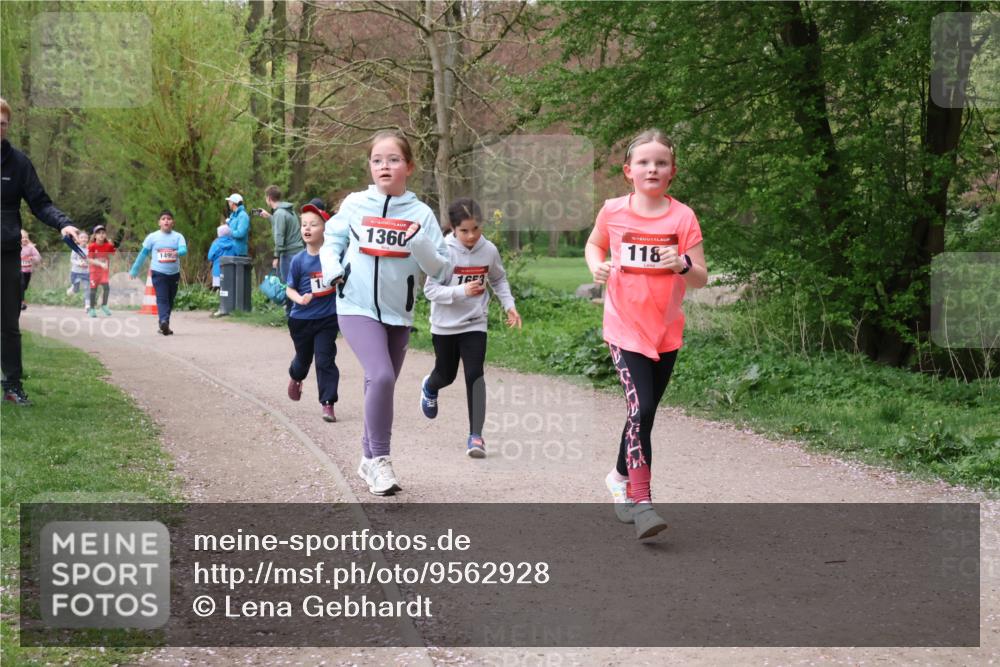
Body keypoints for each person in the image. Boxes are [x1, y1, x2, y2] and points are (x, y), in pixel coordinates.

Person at [585, 128, 708, 540]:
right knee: (641, 410)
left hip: (666, 331)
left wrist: (683, 266)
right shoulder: (613, 211)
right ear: (628, 171)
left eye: (660, 163)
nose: (651, 168)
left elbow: (701, 279)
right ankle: (642, 503)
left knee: (646, 411)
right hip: (623, 328)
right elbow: (594, 245)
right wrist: (595, 267)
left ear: (672, 172)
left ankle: (619, 475)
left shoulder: (683, 217)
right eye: (643, 162)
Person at [319, 130, 451, 496]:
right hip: (355, 305)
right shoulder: (356, 204)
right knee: (381, 376)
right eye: (377, 160)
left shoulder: (421, 213)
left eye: (393, 160)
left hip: (398, 312)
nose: (384, 167)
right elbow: (332, 241)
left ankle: (366, 459)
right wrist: (332, 270)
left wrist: (419, 241)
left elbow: (442, 269)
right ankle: (380, 460)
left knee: (379, 383)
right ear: (370, 167)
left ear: (408, 166)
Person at [419, 198, 521, 458]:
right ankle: (430, 386)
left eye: (476, 228)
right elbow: (430, 290)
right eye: (464, 230)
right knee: (447, 375)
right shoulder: (442, 251)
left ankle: (476, 436)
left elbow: (498, 279)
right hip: (444, 325)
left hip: (475, 323)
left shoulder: (489, 250)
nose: (471, 235)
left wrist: (509, 305)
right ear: (453, 228)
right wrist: (461, 290)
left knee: (474, 375)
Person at [1, 96, 80, 405]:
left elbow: (40, 203)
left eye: (3, 124)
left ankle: (12, 385)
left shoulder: (18, 164)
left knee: (8, 323)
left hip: (6, 252)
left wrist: (63, 223)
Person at [285, 201, 341, 423]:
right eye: (304, 225)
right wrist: (300, 298)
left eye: (313, 224)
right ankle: (296, 376)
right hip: (301, 320)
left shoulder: (333, 257)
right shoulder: (299, 260)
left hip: (327, 319)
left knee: (325, 360)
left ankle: (328, 403)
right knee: (303, 360)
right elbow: (289, 288)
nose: (307, 229)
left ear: (325, 228)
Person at [129, 210, 188, 335]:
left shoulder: (178, 236)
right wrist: (135, 268)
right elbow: (143, 253)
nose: (166, 220)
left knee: (170, 299)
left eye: (169, 218)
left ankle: (164, 324)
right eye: (163, 218)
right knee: (162, 299)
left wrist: (177, 252)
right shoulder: (152, 237)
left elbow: (184, 250)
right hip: (158, 272)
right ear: (159, 223)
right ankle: (163, 321)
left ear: (173, 223)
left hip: (174, 274)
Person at [258, 185, 304, 297]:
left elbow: (279, 236)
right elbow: (284, 226)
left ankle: (290, 312)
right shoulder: (288, 210)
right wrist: (269, 216)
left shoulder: (279, 213)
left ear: (268, 198)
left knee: (288, 285)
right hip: (299, 251)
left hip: (288, 254)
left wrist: (276, 257)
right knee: (298, 283)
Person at [86, 224, 121, 317]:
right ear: (95, 235)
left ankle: (104, 305)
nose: (101, 235)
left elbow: (114, 253)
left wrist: (112, 246)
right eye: (99, 233)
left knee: (106, 288)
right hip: (94, 272)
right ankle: (92, 309)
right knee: (93, 290)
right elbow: (89, 259)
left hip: (104, 272)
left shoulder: (108, 245)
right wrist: (100, 264)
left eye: (103, 233)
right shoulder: (92, 246)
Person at [66, 230, 91, 309]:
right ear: (78, 239)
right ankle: (73, 288)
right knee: (76, 289)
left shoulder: (90, 249)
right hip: (76, 272)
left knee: (87, 288)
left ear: (88, 239)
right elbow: (72, 259)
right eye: (81, 237)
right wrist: (79, 263)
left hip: (86, 272)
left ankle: (87, 305)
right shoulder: (75, 249)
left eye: (85, 237)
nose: (83, 239)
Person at [207, 224, 234, 291]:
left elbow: (210, 257)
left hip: (217, 271)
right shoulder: (234, 244)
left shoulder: (215, 244)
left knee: (219, 292)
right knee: (229, 292)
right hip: (231, 272)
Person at [19, 230, 42, 310]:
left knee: (24, 287)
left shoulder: (31, 247)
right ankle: (22, 302)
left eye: (26, 237)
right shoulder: (16, 247)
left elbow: (38, 257)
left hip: (28, 271)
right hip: (19, 270)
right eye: (22, 238)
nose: (24, 239)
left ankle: (18, 299)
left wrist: (32, 258)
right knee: (21, 285)